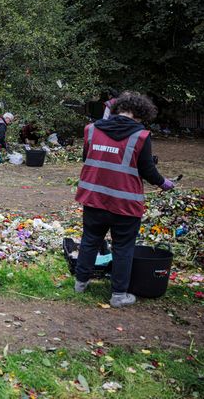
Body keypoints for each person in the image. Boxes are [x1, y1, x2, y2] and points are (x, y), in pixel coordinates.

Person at [74, 93, 175, 308]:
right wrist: (164, 183)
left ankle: (80, 284)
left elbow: (87, 157)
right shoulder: (141, 136)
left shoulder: (91, 130)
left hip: (93, 198)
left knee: (90, 240)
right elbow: (147, 170)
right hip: (125, 204)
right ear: (140, 114)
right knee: (123, 248)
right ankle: (119, 295)